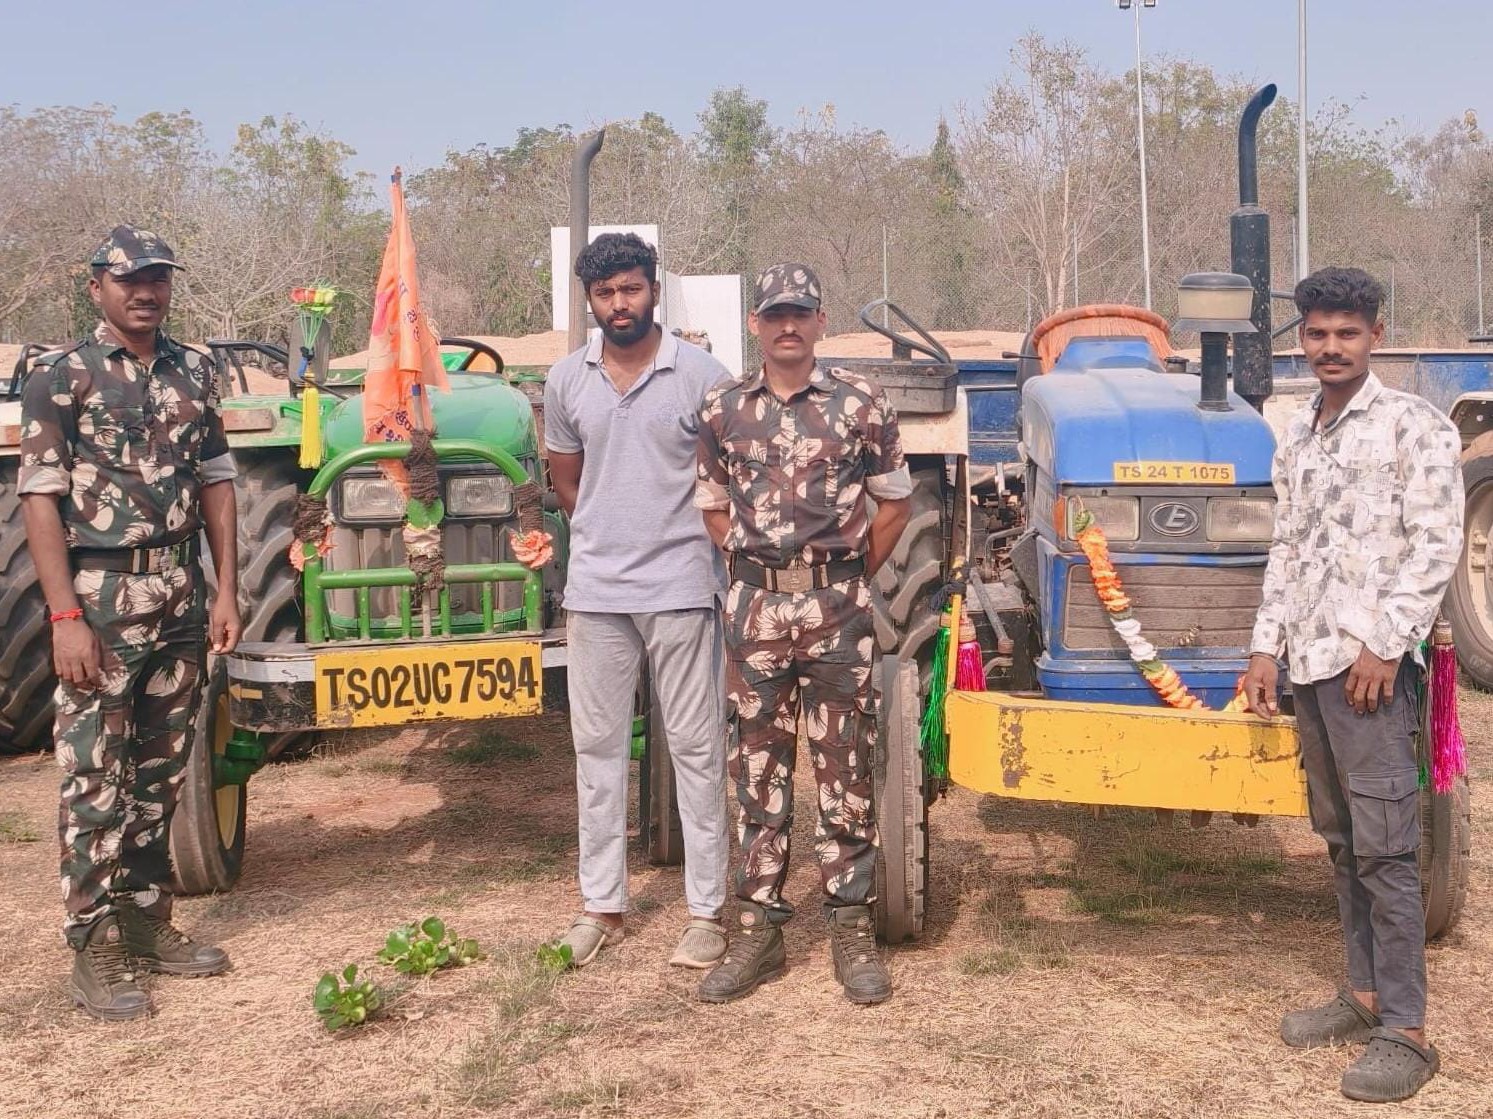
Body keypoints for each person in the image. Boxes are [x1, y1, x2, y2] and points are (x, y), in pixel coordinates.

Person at [1241, 267, 1462, 1102]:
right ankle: (1362, 993)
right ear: (1301, 338)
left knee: (1386, 847)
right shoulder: (1296, 434)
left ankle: (1404, 1028)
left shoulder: (1414, 427)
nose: (1328, 347)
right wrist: (1265, 648)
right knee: (1338, 838)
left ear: (1374, 334)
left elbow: (1435, 542)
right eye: (1316, 333)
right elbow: (1288, 547)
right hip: (1307, 665)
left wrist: (1382, 641)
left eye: (1346, 332)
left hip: (1369, 673)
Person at [18, 225, 242, 1021]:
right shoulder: (60, 376)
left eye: (157, 279)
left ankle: (148, 923)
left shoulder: (195, 370)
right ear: (96, 288)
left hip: (181, 590)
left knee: (160, 769)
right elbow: (39, 496)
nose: (145, 291)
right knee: (93, 777)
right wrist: (65, 615)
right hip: (102, 598)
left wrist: (226, 588)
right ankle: (94, 943)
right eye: (128, 280)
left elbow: (216, 480)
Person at [693, 263, 912, 1004]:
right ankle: (757, 927)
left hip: (837, 612)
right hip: (754, 612)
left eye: (802, 312)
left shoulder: (860, 402)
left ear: (820, 322)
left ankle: (849, 924)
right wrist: (756, 575)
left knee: (845, 765)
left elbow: (893, 505)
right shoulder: (722, 407)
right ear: (756, 323)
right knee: (756, 769)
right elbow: (713, 504)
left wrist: (843, 580)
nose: (788, 324)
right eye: (775, 313)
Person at [544, 232, 732, 969]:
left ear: (652, 288)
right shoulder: (568, 380)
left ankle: (707, 910)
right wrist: (603, 532)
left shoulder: (701, 375)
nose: (618, 304)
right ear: (589, 300)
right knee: (596, 750)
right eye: (604, 293)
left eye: (630, 288)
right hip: (595, 592)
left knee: (695, 746)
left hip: (683, 585)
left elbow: (723, 480)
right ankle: (602, 906)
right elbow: (567, 480)